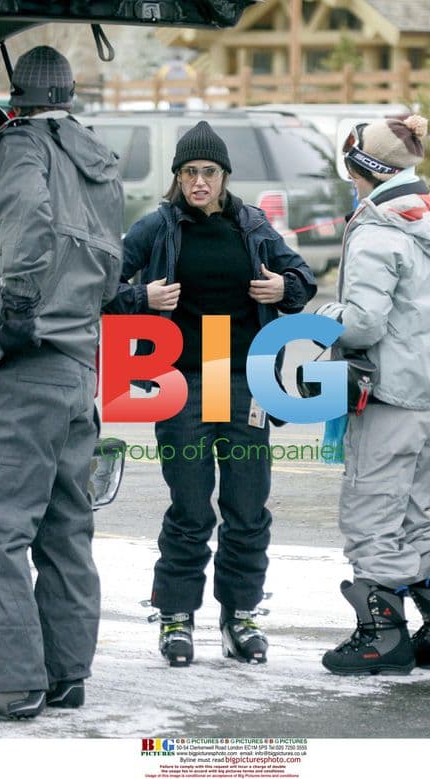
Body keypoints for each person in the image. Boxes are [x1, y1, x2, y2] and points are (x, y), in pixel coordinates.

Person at [107, 120, 316, 666]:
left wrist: (284, 288)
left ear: (224, 177)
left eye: (210, 172)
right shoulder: (154, 229)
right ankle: (176, 618)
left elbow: (302, 280)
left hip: (243, 376)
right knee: (191, 508)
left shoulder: (252, 226)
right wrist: (140, 296)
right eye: (190, 172)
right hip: (181, 379)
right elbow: (103, 288)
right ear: (177, 177)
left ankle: (240, 616)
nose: (200, 181)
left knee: (247, 508)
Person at [0, 46, 123, 718]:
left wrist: (11, 320)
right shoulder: (97, 158)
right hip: (77, 365)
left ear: (16, 96)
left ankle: (6, 682)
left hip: (25, 363)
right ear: (68, 91)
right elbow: (111, 263)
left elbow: (28, 225)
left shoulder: (19, 147)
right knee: (65, 528)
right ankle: (65, 674)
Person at [316, 114, 430, 675]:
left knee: (371, 510)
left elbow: (362, 324)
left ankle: (380, 635)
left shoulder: (379, 229)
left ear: (359, 166)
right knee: (411, 509)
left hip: (390, 394)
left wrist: (324, 314)